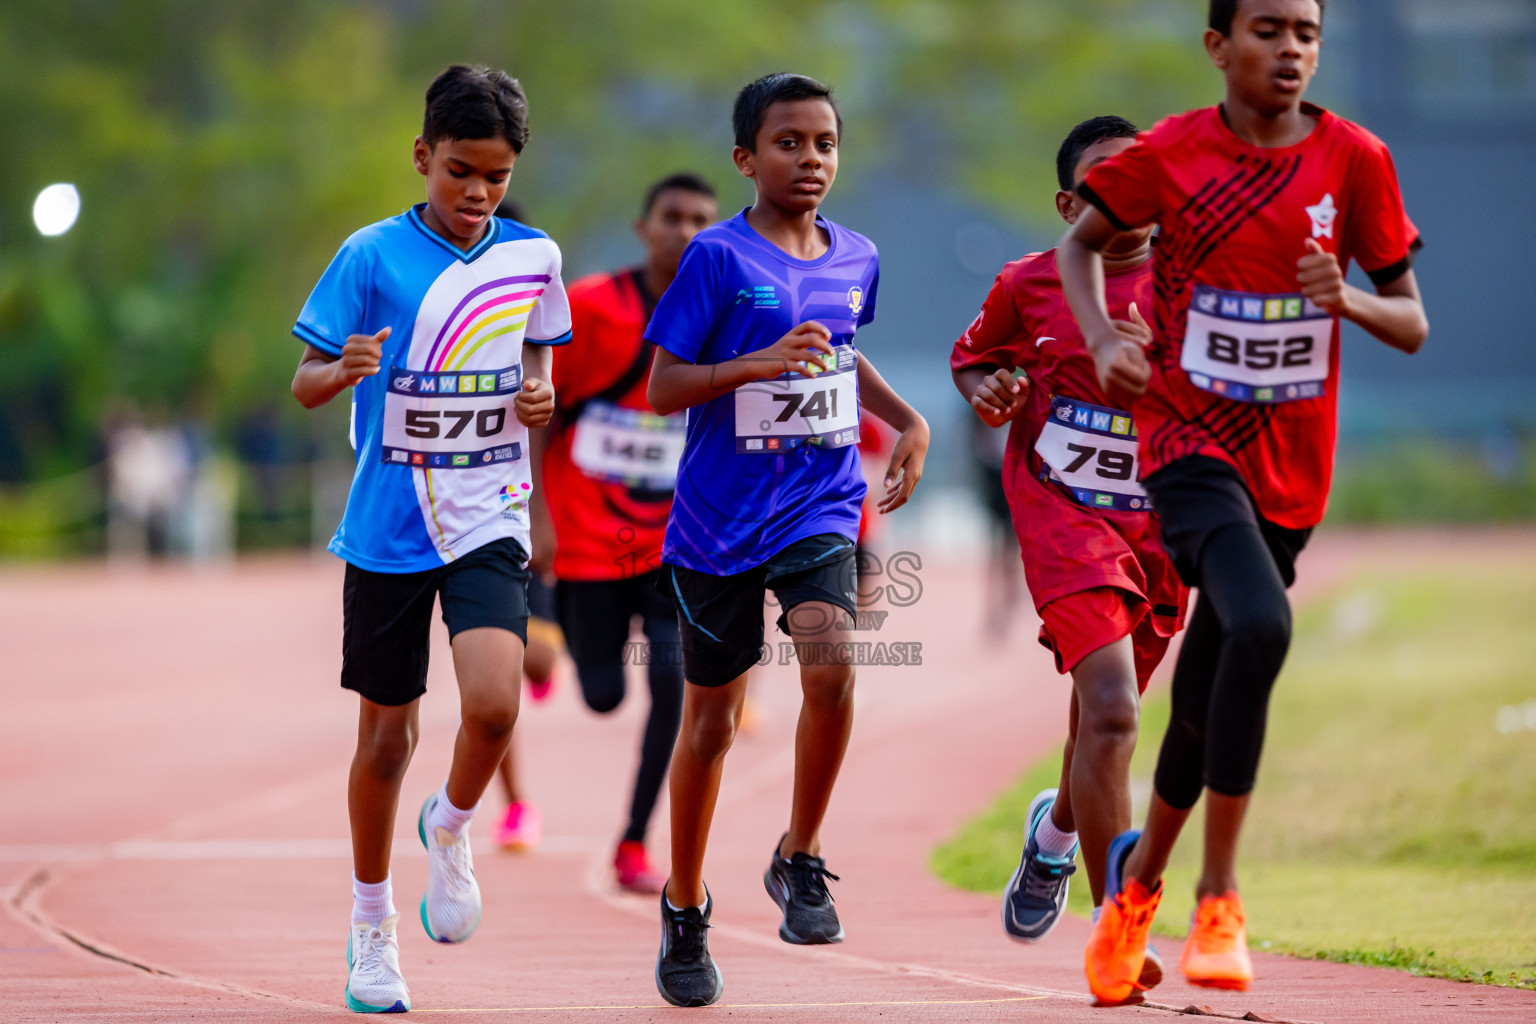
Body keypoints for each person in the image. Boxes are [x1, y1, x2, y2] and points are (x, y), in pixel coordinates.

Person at [1057, 0, 1427, 1003]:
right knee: (1261, 626)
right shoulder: (1170, 154)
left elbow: (1411, 323)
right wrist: (1101, 337)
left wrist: (1342, 295)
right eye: (1269, 29)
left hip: (1292, 467)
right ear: (1219, 46)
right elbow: (1080, 245)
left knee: (1214, 675)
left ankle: (1136, 891)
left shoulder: (1356, 160)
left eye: (1307, 31)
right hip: (1185, 442)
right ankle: (1217, 896)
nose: (1292, 48)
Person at [290, 65, 572, 1014]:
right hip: (388, 528)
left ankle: (449, 828)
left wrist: (542, 396)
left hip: (488, 514)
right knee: (386, 736)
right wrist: (344, 369)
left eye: (494, 177)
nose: (476, 194)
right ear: (422, 157)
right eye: (459, 172)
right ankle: (372, 927)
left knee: (494, 707)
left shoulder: (534, 257)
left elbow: (540, 375)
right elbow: (305, 381)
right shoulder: (370, 256)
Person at [643, 72, 929, 1007]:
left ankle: (800, 852)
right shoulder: (716, 260)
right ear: (746, 159)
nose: (810, 160)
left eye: (825, 144)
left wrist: (907, 419)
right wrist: (751, 365)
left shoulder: (858, 256)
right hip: (718, 524)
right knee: (712, 724)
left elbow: (841, 349)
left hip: (817, 504)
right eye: (789, 143)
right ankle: (685, 905)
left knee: (833, 663)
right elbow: (665, 387)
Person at [949, 116, 1187, 986]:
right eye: (1103, 181)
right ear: (1068, 201)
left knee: (1101, 724)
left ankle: (1054, 836)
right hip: (1064, 516)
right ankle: (1116, 931)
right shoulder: (1030, 283)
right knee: (1115, 709)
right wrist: (993, 389)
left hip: (1160, 527)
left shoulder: (1197, 280)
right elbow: (972, 360)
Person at [535, 172, 721, 890]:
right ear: (643, 228)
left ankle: (636, 842)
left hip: (678, 545)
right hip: (587, 542)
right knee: (605, 692)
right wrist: (536, 517)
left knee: (675, 685)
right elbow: (539, 410)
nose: (685, 231)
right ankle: (556, 631)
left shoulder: (722, 319)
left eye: (701, 220)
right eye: (671, 217)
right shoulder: (588, 308)